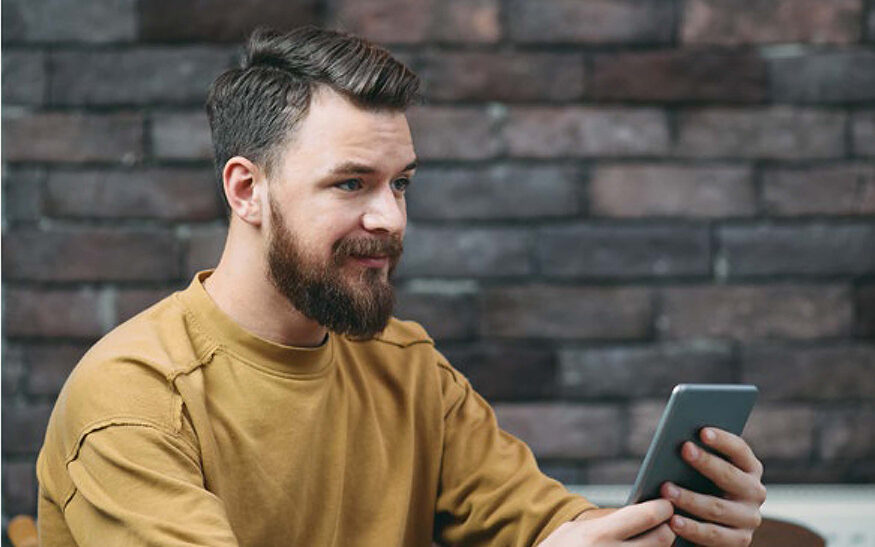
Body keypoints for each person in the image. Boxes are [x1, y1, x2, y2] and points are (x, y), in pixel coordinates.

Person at [36, 26, 766, 546]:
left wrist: (668, 522)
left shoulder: (405, 366)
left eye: (401, 183)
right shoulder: (133, 399)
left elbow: (541, 523)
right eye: (350, 183)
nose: (388, 217)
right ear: (246, 190)